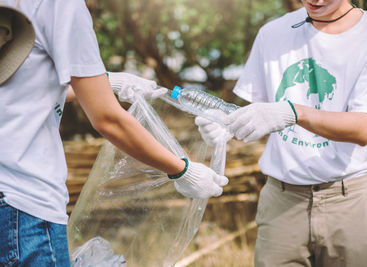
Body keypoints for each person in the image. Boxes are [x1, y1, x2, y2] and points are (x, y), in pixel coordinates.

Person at [0, 0, 228, 266]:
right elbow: (108, 120)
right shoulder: (59, 4)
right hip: (22, 206)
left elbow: (23, 94)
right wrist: (182, 169)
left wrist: (105, 81)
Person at [195, 0, 367, 266]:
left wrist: (294, 112)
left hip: (348, 201)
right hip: (282, 201)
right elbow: (259, 114)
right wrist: (226, 127)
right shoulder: (273, 33)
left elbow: (364, 128)